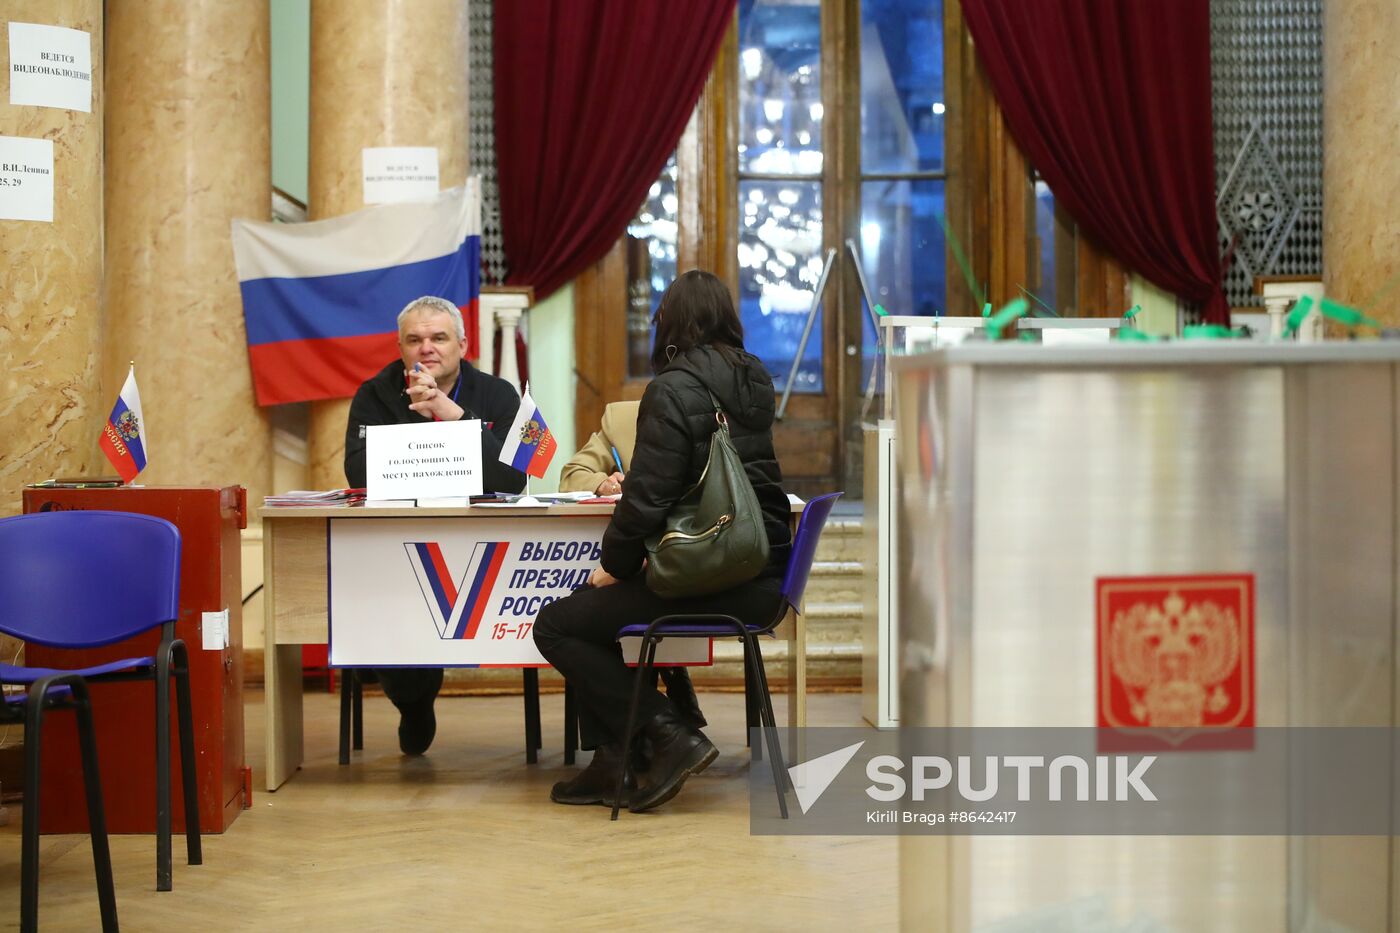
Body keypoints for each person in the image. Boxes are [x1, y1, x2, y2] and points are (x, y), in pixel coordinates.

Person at [534, 270, 792, 812]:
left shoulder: (672, 388)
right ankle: (617, 759)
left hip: (711, 574)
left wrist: (617, 564)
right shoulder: (755, 379)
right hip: (761, 573)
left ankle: (667, 732)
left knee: (557, 624)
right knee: (588, 613)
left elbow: (647, 498)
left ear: (669, 324)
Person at [344, 295, 527, 755]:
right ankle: (414, 702)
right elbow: (358, 473)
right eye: (415, 340)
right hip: (399, 540)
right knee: (389, 604)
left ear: (462, 344)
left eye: (439, 338)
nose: (427, 348)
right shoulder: (375, 394)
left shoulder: (498, 394)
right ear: (401, 347)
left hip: (484, 541)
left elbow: (514, 477)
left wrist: (453, 417)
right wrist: (429, 437)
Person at [558, 401, 709, 730]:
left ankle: (636, 738)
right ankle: (650, 723)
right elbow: (572, 475)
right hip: (640, 558)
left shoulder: (712, 415)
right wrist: (604, 482)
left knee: (582, 610)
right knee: (593, 599)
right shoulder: (623, 417)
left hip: (694, 564)